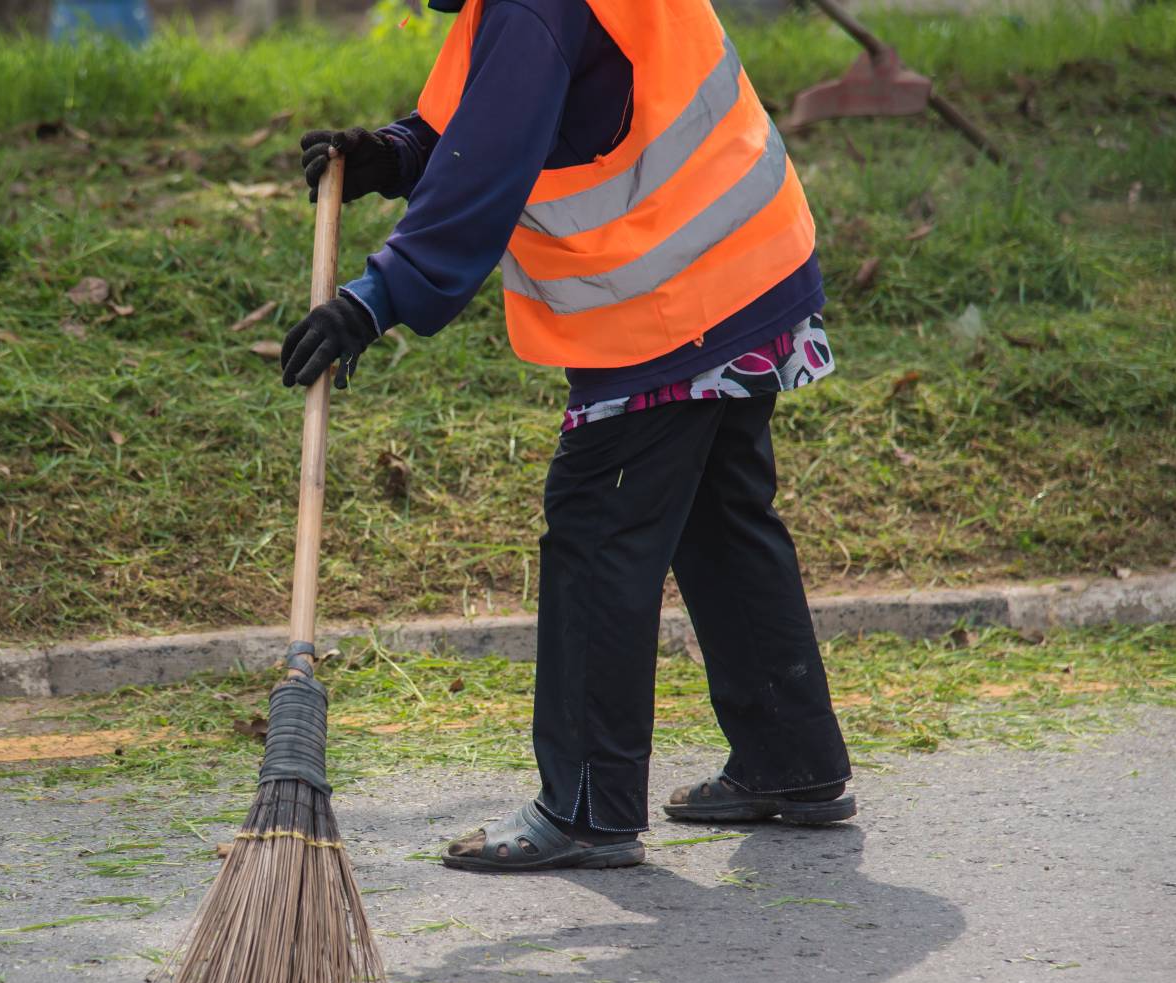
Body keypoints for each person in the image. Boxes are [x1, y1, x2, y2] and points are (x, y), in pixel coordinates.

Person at [278, 0, 855, 873]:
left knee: (595, 527)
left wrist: (377, 298)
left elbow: (493, 160)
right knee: (719, 519)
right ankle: (792, 761)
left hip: (671, 301)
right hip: (744, 262)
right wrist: (392, 154)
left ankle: (588, 804)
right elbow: (502, 113)